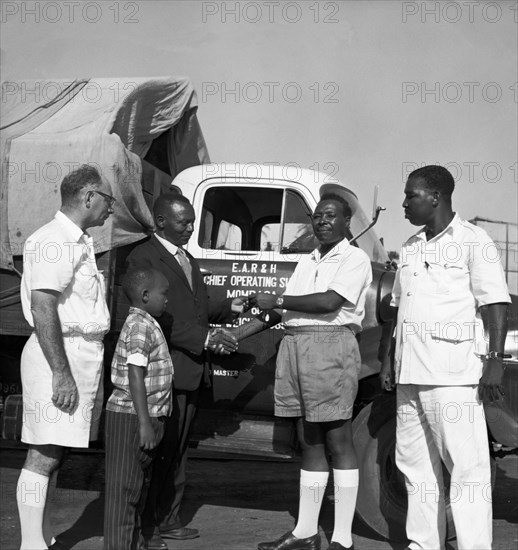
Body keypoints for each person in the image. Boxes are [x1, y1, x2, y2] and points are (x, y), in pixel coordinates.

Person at [379, 165, 511, 550]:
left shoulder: (473, 240)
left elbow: (495, 303)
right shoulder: (410, 247)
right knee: (416, 470)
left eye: (410, 196)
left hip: (453, 376)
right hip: (411, 375)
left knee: (467, 473)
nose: (403, 204)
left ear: (435, 197)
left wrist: (494, 360)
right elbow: (397, 308)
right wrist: (388, 360)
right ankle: (424, 545)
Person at [251, 193, 373, 550]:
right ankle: (305, 532)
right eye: (317, 216)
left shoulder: (354, 258)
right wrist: (237, 331)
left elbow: (329, 302)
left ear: (347, 222)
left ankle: (342, 538)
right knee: (309, 440)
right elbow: (285, 312)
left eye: (330, 216)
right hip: (296, 346)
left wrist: (278, 300)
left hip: (330, 346)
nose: (321, 221)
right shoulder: (308, 260)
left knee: (338, 440)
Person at [126, 193, 245, 548]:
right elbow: (159, 317)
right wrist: (205, 340)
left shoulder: (187, 258)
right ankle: (147, 527)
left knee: (176, 451)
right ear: (161, 221)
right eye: (183, 223)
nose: (191, 228)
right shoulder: (143, 257)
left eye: (193, 222)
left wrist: (228, 306)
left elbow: (197, 307)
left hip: (189, 370)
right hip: (166, 372)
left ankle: (168, 518)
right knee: (157, 453)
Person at [17, 165, 114, 550]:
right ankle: (30, 545)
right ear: (88, 196)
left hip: (78, 353)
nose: (111, 209)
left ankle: (41, 537)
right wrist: (61, 373)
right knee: (41, 454)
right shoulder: (54, 240)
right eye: (107, 199)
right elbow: (43, 308)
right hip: (59, 355)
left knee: (53, 454)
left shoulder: (79, 241)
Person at [104, 266, 173, 550]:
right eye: (163, 294)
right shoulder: (139, 327)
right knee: (123, 493)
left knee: (137, 488)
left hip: (146, 417)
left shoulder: (147, 322)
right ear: (145, 296)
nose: (167, 299)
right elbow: (135, 373)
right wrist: (145, 422)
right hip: (131, 419)